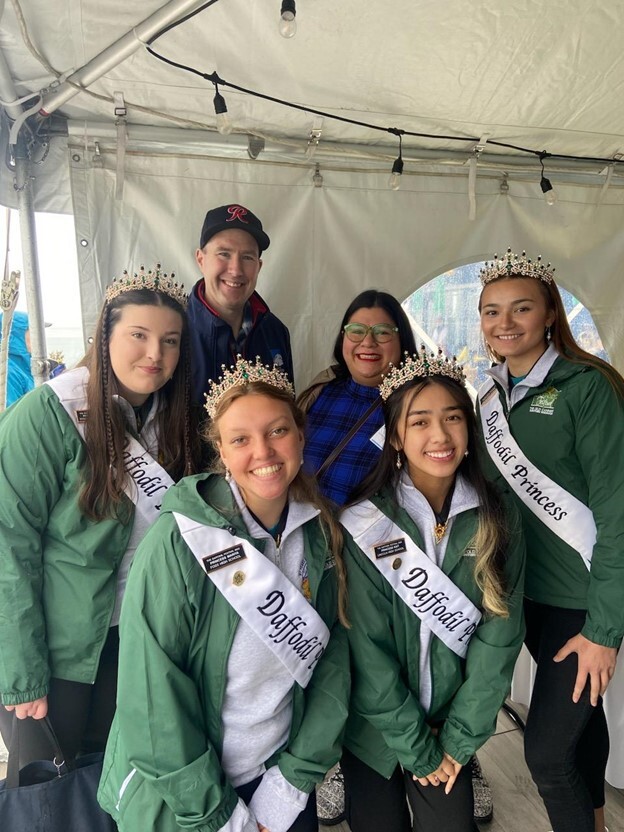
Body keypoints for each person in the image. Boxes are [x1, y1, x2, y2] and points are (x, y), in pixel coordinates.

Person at [98, 356, 350, 832]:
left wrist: (290, 783)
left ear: (300, 435)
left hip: (279, 780)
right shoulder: (178, 542)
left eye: (277, 431)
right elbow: (151, 696)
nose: (263, 451)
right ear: (222, 451)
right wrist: (221, 818)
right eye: (241, 439)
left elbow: (331, 662)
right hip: (184, 797)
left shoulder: (321, 534)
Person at [0, 266, 196, 766]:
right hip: (58, 650)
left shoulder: (175, 421)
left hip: (137, 642)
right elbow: (8, 545)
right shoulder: (47, 415)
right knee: (49, 798)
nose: (155, 354)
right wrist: (21, 673)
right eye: (139, 335)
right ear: (104, 333)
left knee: (116, 789)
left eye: (170, 341)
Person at [340, 349, 525, 832]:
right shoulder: (364, 523)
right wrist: (415, 747)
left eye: (452, 418)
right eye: (419, 422)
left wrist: (458, 741)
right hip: (374, 731)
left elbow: (499, 638)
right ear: (396, 436)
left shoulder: (497, 516)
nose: (439, 436)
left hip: (450, 729)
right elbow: (367, 649)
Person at [477, 249, 624, 832]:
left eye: (520, 308)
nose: (504, 323)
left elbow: (617, 514)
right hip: (525, 600)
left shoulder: (587, 389)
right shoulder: (488, 397)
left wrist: (603, 632)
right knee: (582, 736)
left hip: (581, 604)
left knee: (545, 755)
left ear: (548, 315)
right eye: (491, 311)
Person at [298, 289, 417, 507]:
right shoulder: (321, 389)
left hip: (358, 537)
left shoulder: (415, 406)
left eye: (382, 332)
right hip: (298, 531)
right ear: (343, 338)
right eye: (356, 331)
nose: (368, 342)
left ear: (402, 340)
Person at [187, 203, 294, 405]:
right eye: (224, 254)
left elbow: (286, 411)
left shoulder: (275, 331)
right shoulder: (174, 330)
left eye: (247, 257)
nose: (236, 270)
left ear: (259, 266)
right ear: (201, 260)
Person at [0, 309, 34, 406]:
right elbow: (8, 417)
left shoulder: (24, 366)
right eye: (33, 332)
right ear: (14, 335)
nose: (39, 338)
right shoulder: (7, 373)